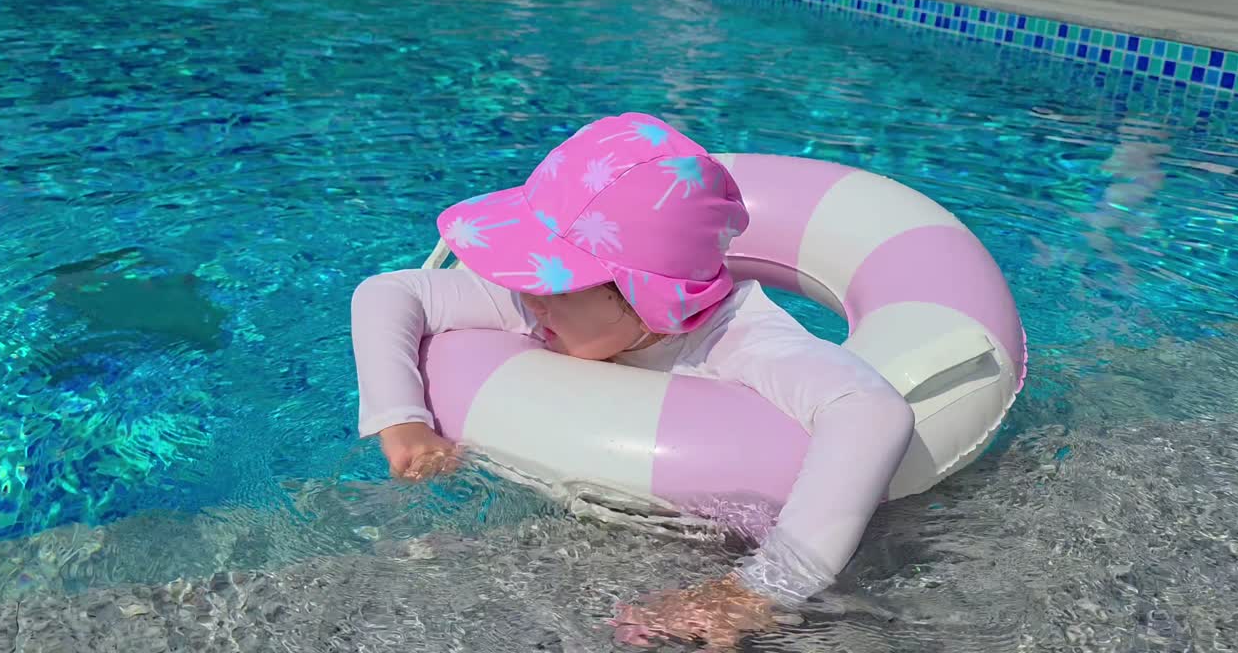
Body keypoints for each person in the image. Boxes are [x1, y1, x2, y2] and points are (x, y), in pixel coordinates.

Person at [350, 112, 915, 649]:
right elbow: (388, 293)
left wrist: (760, 589)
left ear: (647, 298)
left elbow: (870, 410)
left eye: (553, 283)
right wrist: (402, 421)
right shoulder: (549, 302)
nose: (528, 299)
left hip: (715, 546)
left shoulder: (745, 341)